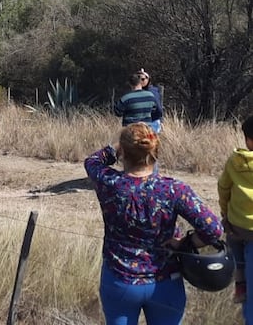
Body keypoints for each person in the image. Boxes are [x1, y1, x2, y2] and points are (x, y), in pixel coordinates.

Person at [86, 122, 223, 325]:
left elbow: (92, 161)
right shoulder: (174, 190)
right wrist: (184, 243)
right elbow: (213, 229)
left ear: (123, 152)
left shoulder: (109, 183)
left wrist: (117, 147)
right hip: (165, 281)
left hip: (120, 280)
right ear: (155, 151)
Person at [217, 115, 253, 313]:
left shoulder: (235, 161)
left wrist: (225, 214)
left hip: (239, 226)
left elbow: (223, 188)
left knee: (235, 246)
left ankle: (240, 285)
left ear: (248, 140)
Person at [135, 69, 165, 133]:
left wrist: (159, 120)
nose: (140, 81)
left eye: (143, 79)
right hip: (139, 124)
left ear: (148, 79)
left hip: (152, 123)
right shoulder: (136, 92)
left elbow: (159, 109)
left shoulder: (152, 92)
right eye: (138, 78)